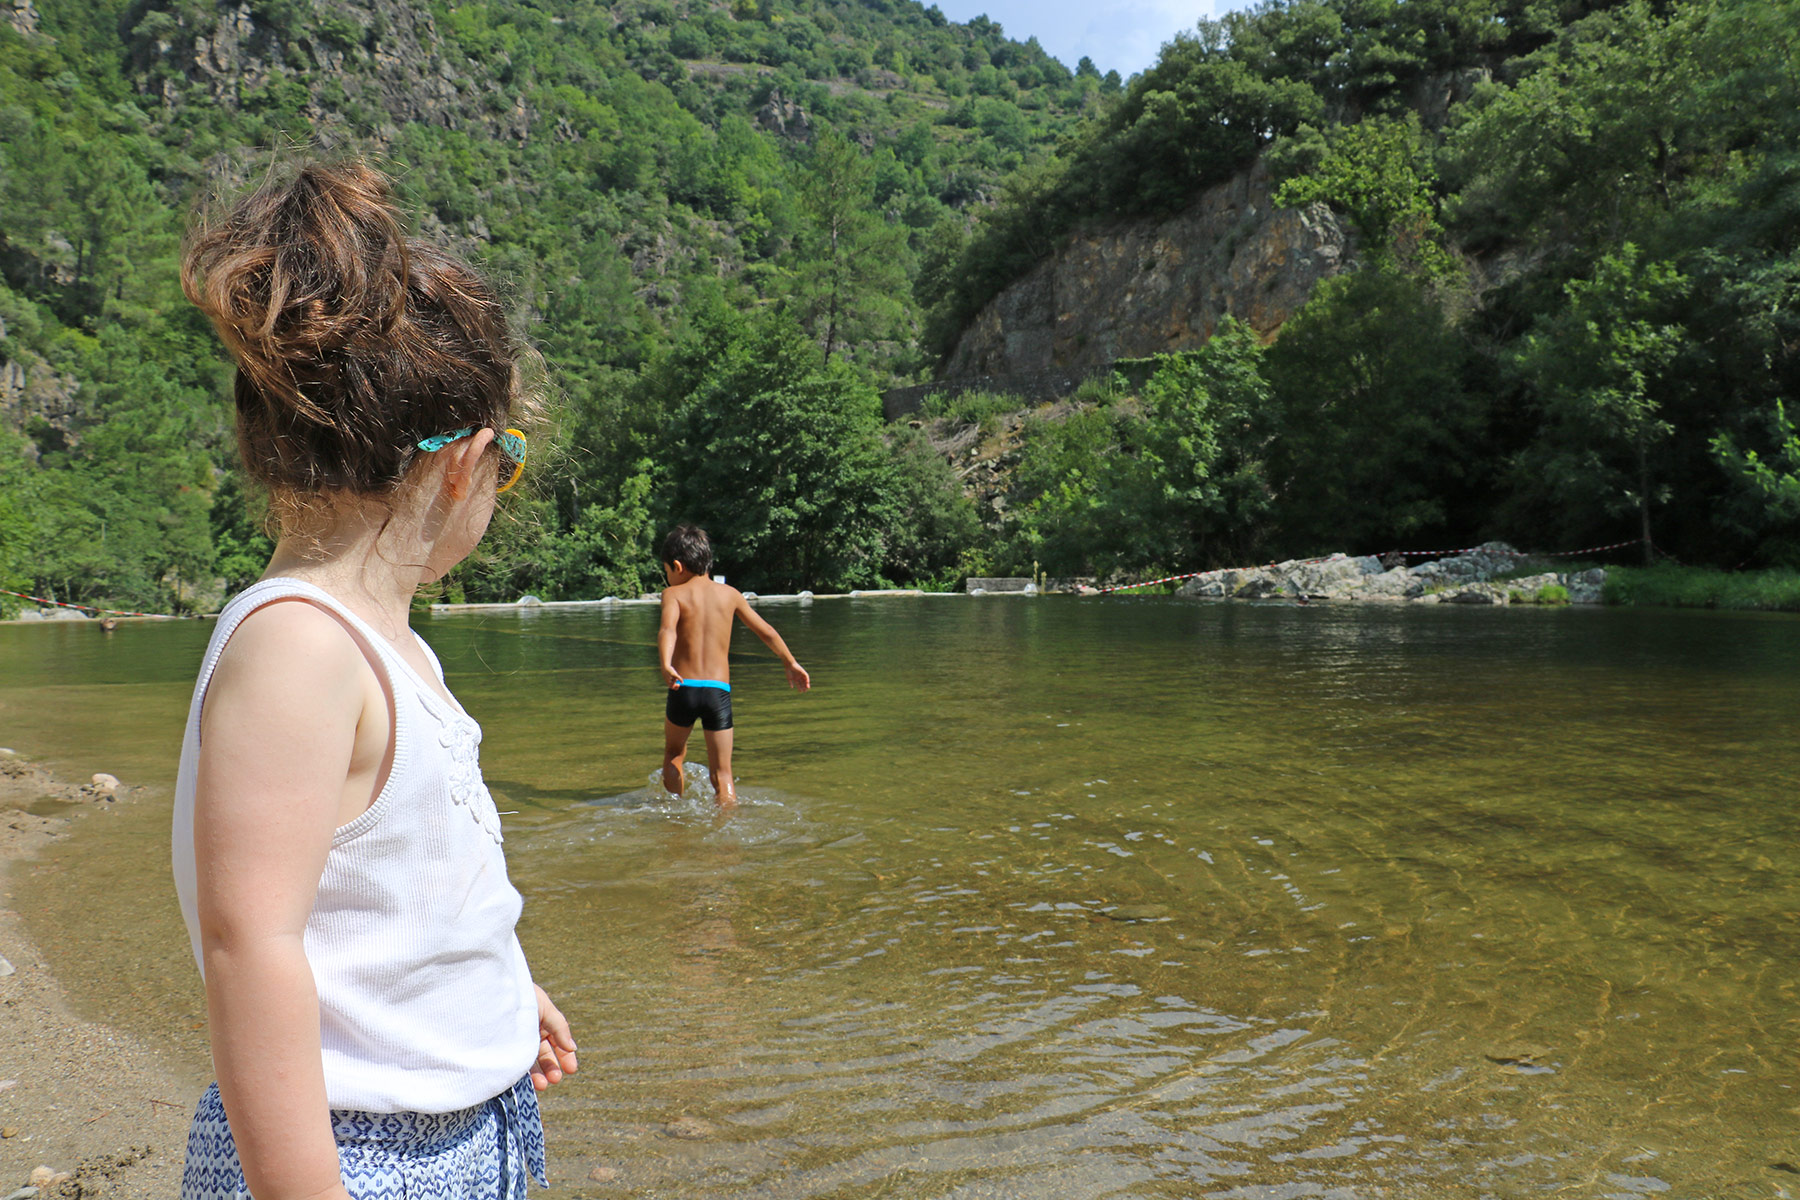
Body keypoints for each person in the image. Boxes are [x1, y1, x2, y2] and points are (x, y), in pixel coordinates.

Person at [170, 159, 576, 1200]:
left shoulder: (389, 646)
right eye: (512, 464)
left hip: (465, 1128)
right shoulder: (300, 649)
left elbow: (395, 890)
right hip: (360, 1155)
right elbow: (249, 945)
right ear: (462, 464)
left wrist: (499, 992)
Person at [657, 525, 810, 806]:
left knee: (674, 755)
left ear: (677, 566)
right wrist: (790, 662)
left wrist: (666, 664)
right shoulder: (731, 594)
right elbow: (766, 631)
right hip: (718, 691)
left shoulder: (673, 595)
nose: (668, 578)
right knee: (723, 775)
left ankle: (673, 819)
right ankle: (727, 831)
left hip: (683, 686)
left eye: (666, 571)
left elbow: (668, 630)